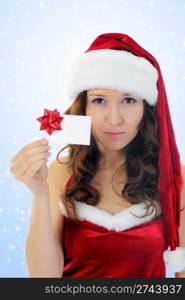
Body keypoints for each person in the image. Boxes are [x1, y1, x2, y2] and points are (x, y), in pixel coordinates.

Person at [10, 32, 185, 278]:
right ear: (83, 106)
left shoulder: (174, 175)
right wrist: (39, 193)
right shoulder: (61, 172)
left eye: (128, 99)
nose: (114, 119)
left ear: (146, 107)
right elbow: (43, 281)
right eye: (99, 100)